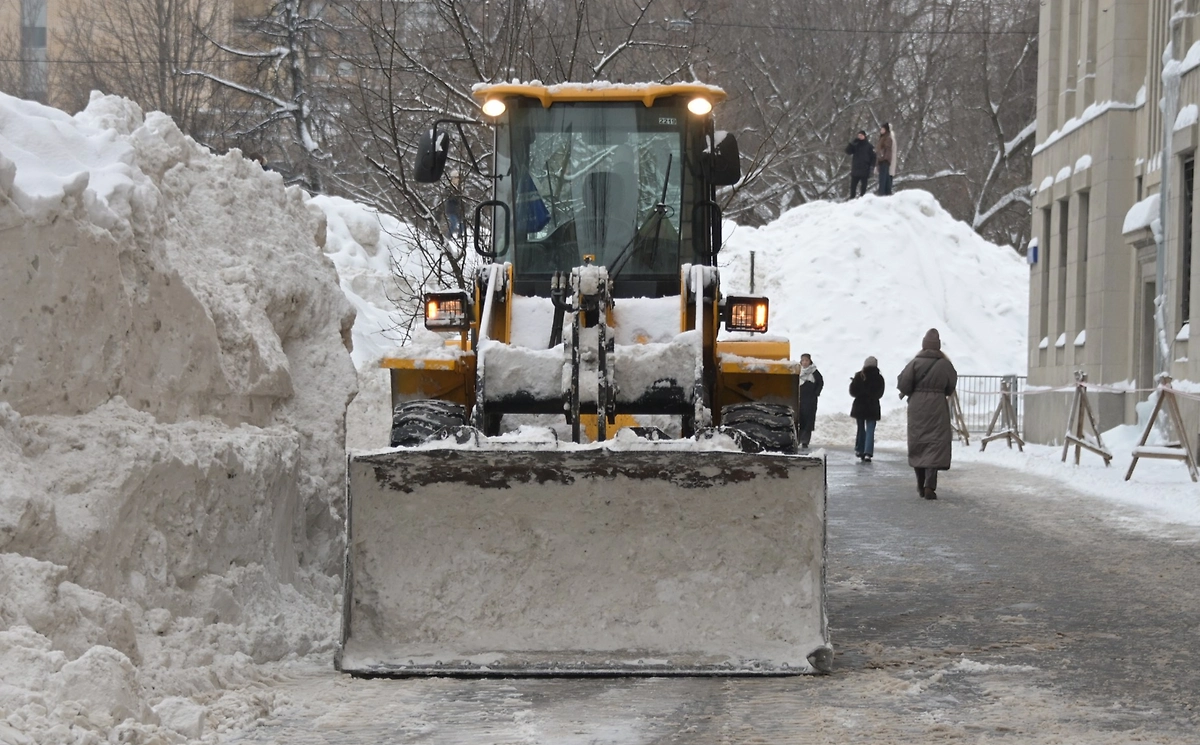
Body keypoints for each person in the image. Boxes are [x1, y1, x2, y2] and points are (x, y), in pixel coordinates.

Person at [897, 329, 958, 500]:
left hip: (917, 407)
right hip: (938, 407)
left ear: (923, 345)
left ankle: (920, 483)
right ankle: (929, 485)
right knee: (935, 444)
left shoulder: (914, 363)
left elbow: (904, 384)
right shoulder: (945, 365)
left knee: (919, 443)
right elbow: (950, 386)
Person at [850, 356, 886, 462]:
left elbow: (852, 391)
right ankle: (868, 452)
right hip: (872, 406)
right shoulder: (879, 378)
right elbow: (880, 393)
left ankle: (859, 450)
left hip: (860, 406)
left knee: (860, 428)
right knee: (870, 429)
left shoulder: (859, 376)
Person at [797, 353, 824, 450]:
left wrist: (816, 393)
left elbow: (820, 383)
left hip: (810, 401)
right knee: (799, 420)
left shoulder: (814, 372)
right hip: (799, 399)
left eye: (806, 360)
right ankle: (797, 439)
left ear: (810, 361)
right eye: (803, 360)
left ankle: (805, 441)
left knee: (808, 420)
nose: (804, 362)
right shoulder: (798, 371)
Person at [844, 130, 876, 199]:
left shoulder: (869, 146)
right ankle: (852, 198)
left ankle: (862, 198)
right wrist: (851, 144)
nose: (860, 137)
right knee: (853, 186)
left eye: (861, 135)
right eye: (859, 136)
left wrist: (871, 167)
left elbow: (873, 157)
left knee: (863, 186)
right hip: (856, 168)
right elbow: (847, 151)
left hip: (865, 168)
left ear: (864, 136)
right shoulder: (856, 145)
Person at [444, 170, 464, 240]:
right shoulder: (448, 188)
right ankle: (448, 237)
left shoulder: (460, 188)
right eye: (455, 177)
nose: (457, 179)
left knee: (462, 224)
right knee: (454, 223)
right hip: (451, 209)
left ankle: (460, 238)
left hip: (458, 210)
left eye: (458, 177)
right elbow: (449, 197)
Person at [876, 123, 894, 196]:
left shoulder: (887, 138)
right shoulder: (882, 138)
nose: (881, 130)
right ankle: (887, 192)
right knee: (885, 177)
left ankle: (882, 192)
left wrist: (884, 157)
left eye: (883, 129)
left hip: (884, 160)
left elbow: (888, 149)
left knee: (883, 178)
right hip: (881, 159)